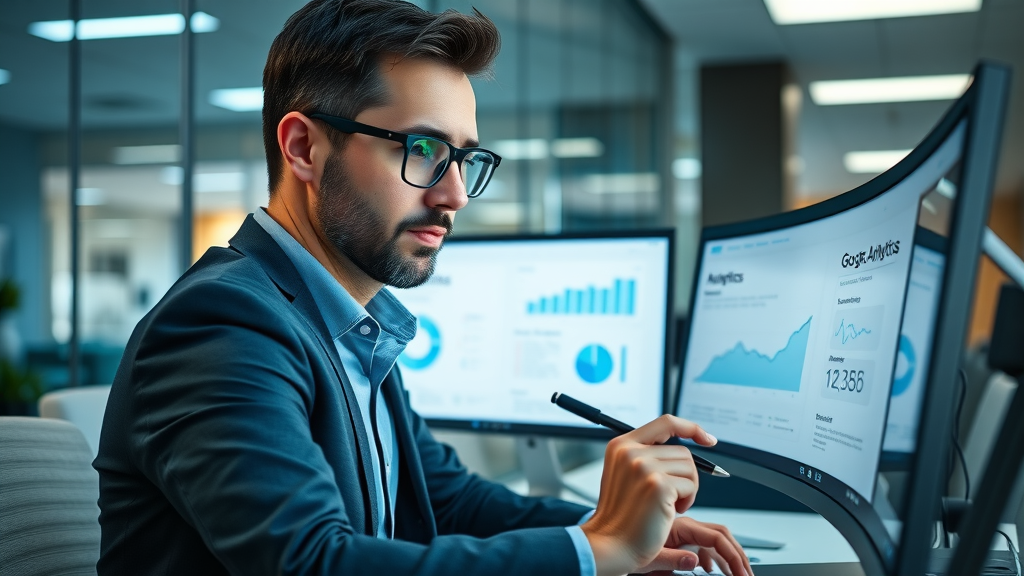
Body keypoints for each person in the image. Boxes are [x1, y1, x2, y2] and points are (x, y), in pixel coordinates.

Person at [94, 1, 752, 575]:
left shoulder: (356, 322)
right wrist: (596, 549)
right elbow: (311, 563)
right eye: (421, 149)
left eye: (464, 158)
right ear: (303, 150)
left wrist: (617, 527)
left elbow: (446, 499)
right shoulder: (224, 323)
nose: (456, 194)